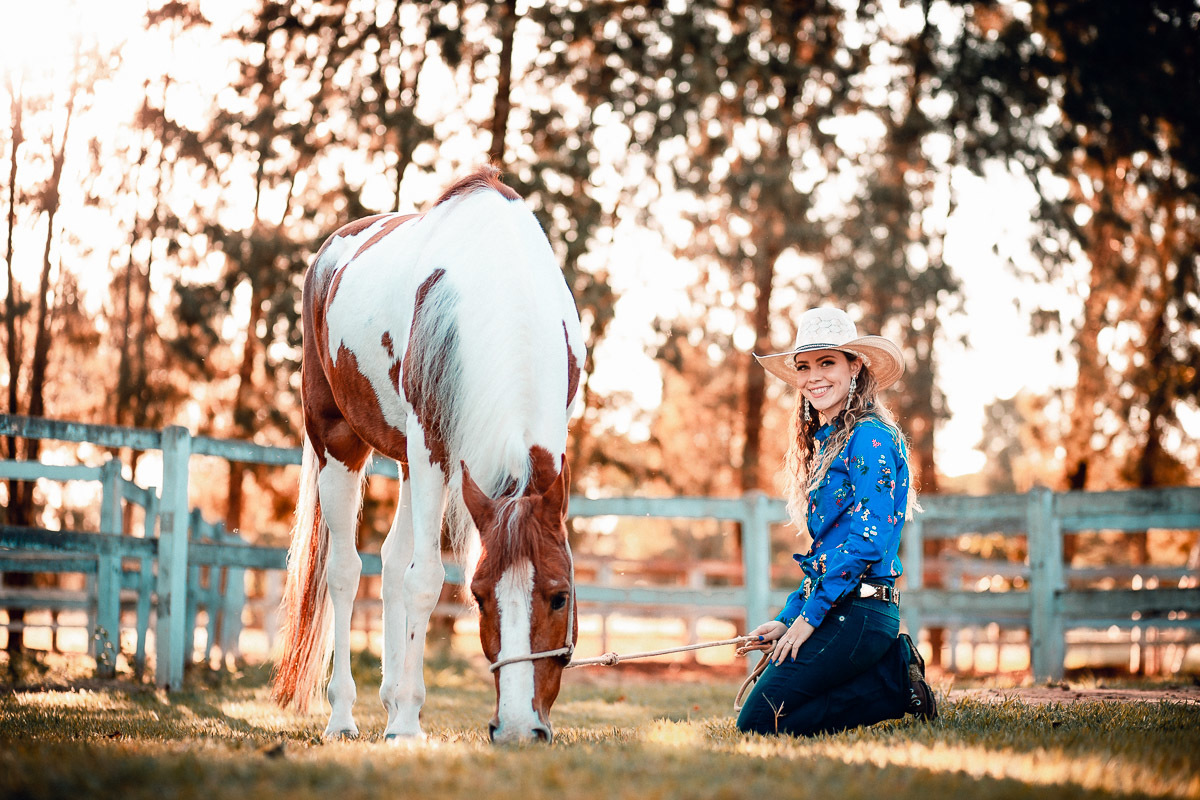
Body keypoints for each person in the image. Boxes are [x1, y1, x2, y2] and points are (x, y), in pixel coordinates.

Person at [735, 306, 938, 737]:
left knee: (758, 723)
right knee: (763, 717)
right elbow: (826, 552)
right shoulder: (829, 443)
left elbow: (866, 542)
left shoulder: (871, 436)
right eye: (804, 367)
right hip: (837, 608)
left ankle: (895, 683)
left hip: (861, 611)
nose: (813, 377)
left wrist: (808, 620)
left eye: (827, 362)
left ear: (855, 366)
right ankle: (887, 673)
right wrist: (789, 617)